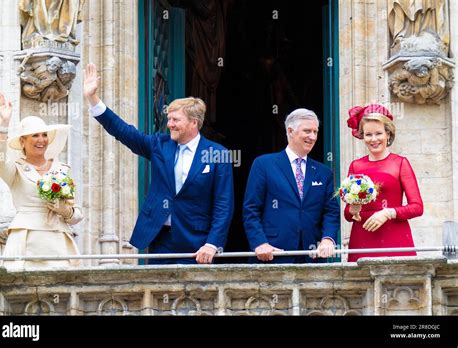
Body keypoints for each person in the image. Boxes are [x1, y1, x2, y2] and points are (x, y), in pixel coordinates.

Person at [83, 63, 234, 264]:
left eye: (175, 120)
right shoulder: (160, 145)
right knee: (158, 294)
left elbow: (224, 203)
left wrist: (212, 244)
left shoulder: (217, 154)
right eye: (169, 118)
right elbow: (125, 132)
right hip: (160, 238)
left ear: (194, 123)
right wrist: (93, 99)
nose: (169, 124)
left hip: (197, 242)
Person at [0, 94, 83, 269]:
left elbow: (77, 216)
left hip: (58, 241)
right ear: (22, 141)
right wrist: (4, 125)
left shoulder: (61, 169)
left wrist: (64, 210)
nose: (41, 140)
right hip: (25, 241)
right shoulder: (15, 169)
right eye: (35, 135)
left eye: (44, 135)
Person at [243, 108, 340, 263]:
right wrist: (259, 243)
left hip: (313, 256)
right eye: (307, 131)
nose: (313, 137)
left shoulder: (324, 172)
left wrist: (328, 239)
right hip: (273, 254)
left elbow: (331, 212)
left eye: (315, 131)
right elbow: (251, 209)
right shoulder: (264, 164)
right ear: (290, 131)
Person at [345, 104, 424, 262]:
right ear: (362, 136)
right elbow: (348, 214)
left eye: (378, 133)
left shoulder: (400, 163)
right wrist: (353, 210)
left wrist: (388, 213)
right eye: (368, 134)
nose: (373, 139)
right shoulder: (356, 165)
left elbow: (417, 207)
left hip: (395, 237)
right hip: (362, 237)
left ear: (388, 134)